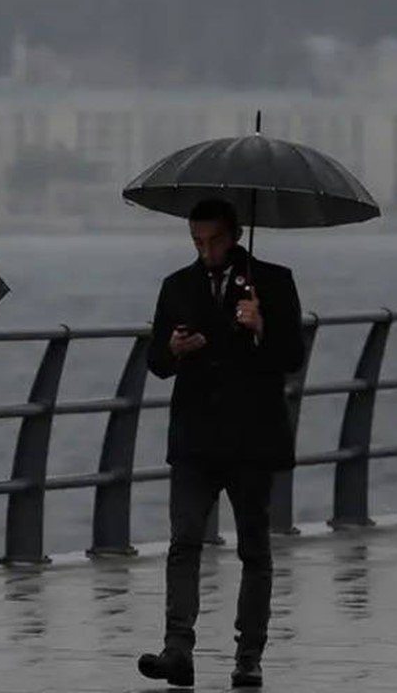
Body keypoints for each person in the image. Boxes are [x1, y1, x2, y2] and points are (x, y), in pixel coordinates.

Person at [136, 198, 304, 689]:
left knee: (254, 548)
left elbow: (291, 355)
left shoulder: (273, 281)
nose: (205, 249)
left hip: (252, 438)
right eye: (197, 241)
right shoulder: (177, 286)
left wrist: (261, 327)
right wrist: (172, 348)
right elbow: (156, 362)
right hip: (195, 437)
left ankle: (248, 655)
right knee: (184, 539)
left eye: (212, 240)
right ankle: (177, 649)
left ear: (234, 236)